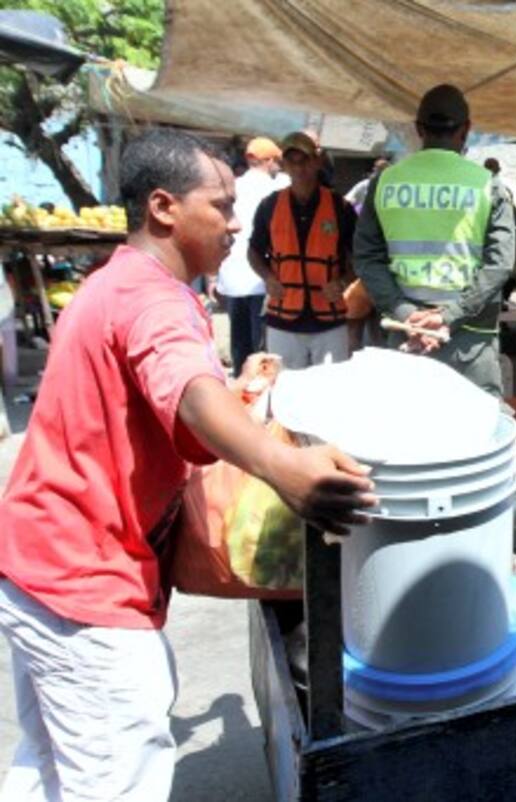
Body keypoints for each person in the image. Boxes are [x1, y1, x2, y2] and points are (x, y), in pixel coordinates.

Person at [0, 130, 376, 801]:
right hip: (86, 583)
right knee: (117, 782)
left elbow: (161, 401)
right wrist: (282, 469)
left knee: (49, 766)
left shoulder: (115, 282)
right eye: (221, 204)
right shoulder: (156, 301)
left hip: (34, 563)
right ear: (165, 208)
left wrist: (238, 393)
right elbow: (187, 392)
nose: (235, 222)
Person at [354, 84, 515, 396]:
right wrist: (447, 316)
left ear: (419, 129)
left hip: (404, 335)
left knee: (408, 439)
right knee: (475, 437)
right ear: (466, 130)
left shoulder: (385, 182)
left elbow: (366, 258)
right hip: (469, 341)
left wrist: (406, 314)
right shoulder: (488, 185)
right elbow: (499, 264)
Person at [248, 131, 357, 370]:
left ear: (317, 161)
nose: (299, 168)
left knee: (329, 391)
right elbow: (254, 251)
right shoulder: (270, 206)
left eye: (305, 160)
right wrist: (268, 277)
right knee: (283, 388)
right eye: (292, 162)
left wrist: (343, 281)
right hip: (282, 319)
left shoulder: (341, 208)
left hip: (329, 321)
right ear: (284, 165)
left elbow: (358, 257)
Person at [215, 136, 284, 376]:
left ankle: (239, 392)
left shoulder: (232, 187)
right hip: (262, 279)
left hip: (233, 277)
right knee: (262, 349)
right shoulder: (277, 189)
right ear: (270, 161)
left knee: (240, 344)